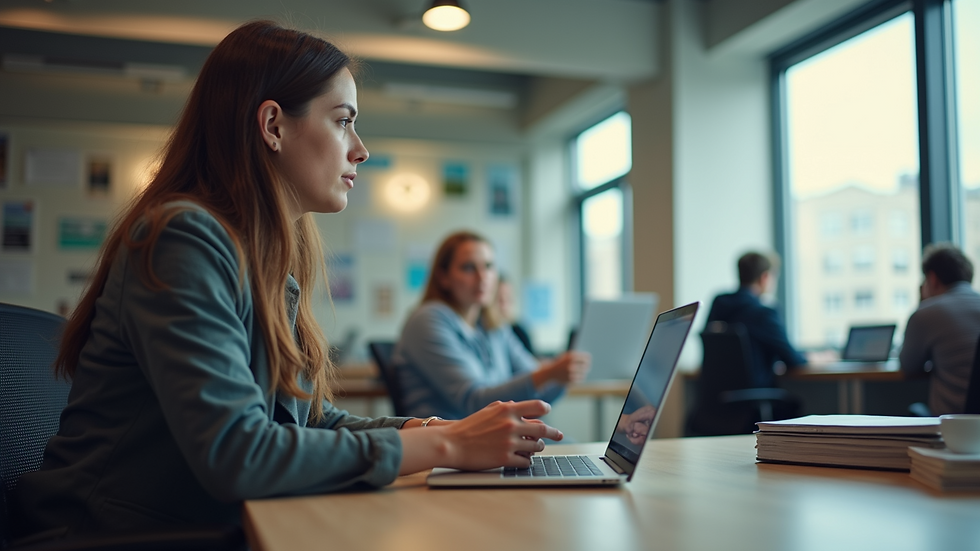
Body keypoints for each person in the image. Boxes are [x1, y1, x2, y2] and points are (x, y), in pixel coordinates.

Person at [14, 21, 562, 539]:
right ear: (273, 125)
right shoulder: (181, 237)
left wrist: (425, 430)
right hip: (106, 537)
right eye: (343, 120)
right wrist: (447, 447)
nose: (360, 149)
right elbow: (240, 454)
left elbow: (307, 422)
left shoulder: (264, 258)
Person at [393, 231, 590, 419]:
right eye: (468, 267)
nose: (482, 277)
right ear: (443, 277)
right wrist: (549, 373)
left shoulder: (493, 326)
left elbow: (536, 391)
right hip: (447, 445)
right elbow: (476, 402)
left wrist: (562, 377)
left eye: (488, 266)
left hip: (492, 440)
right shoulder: (428, 319)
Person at [704, 251, 807, 387]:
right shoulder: (764, 313)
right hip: (754, 398)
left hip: (715, 399)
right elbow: (793, 360)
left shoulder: (719, 303)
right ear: (765, 277)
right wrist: (813, 357)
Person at [900, 243, 980, 415]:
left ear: (932, 278)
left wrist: (923, 302)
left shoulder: (926, 314)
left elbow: (908, 366)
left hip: (954, 427)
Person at [495, 273, 535, 356]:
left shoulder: (520, 332)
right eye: (499, 299)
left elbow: (531, 365)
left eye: (508, 298)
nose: (504, 306)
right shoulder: (486, 333)